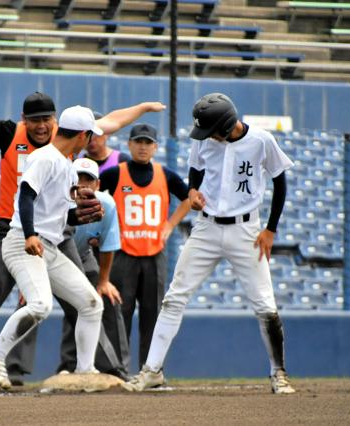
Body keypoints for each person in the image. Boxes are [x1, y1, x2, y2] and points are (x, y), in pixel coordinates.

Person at [0, 92, 166, 388]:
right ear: (24, 120)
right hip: (17, 230)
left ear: (57, 120)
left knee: (89, 299)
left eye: (46, 119)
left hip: (56, 235)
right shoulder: (15, 136)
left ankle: (101, 368)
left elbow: (110, 123)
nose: (41, 126)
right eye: (34, 120)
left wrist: (141, 108)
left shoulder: (67, 145)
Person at [124, 93, 296, 394]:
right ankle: (152, 371)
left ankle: (278, 373)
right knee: (174, 297)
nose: (205, 136)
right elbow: (196, 170)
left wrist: (271, 229)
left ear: (227, 125)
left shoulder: (261, 140)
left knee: (265, 306)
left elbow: (280, 182)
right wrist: (191, 191)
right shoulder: (205, 138)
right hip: (206, 227)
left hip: (246, 230)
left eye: (210, 130)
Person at [0, 105, 105, 389]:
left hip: (48, 246)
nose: (92, 141)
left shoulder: (66, 164)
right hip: (23, 243)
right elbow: (25, 196)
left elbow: (59, 215)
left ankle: (85, 370)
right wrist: (30, 234)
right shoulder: (45, 157)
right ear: (82, 135)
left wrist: (83, 215)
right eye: (90, 135)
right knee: (40, 305)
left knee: (91, 304)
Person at [100, 123, 191, 368]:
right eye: (138, 142)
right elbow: (93, 195)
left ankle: (150, 369)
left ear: (155, 147)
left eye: (148, 142)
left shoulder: (165, 174)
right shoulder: (115, 174)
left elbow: (189, 199)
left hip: (154, 255)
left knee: (153, 315)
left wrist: (170, 226)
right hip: (123, 254)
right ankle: (117, 368)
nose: (142, 147)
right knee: (121, 314)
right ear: (129, 145)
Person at [56, 158, 129, 378]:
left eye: (89, 179)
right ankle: (14, 368)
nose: (84, 184)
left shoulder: (106, 204)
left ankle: (117, 369)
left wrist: (104, 281)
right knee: (32, 304)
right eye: (78, 178)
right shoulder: (57, 201)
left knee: (105, 299)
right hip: (48, 257)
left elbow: (108, 245)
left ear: (97, 185)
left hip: (83, 256)